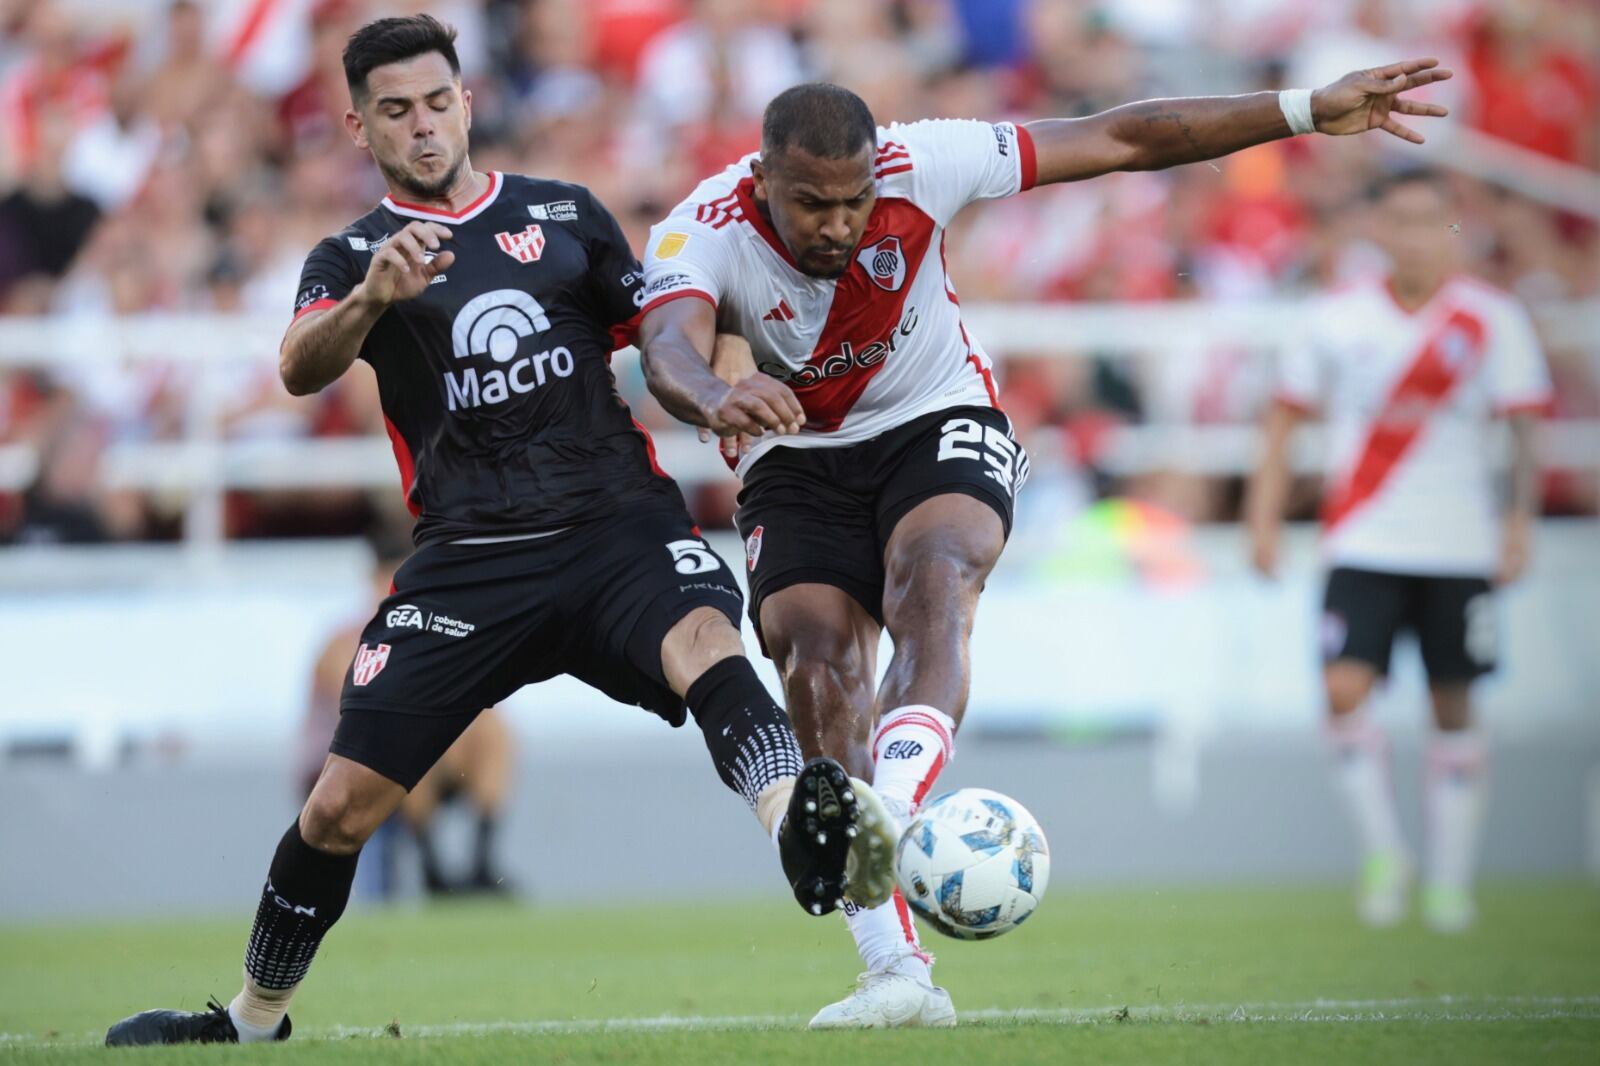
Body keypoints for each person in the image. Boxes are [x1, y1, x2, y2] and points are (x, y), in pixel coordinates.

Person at [104, 15, 895, 1047]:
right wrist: (371, 300)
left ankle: (799, 828)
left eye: (437, 103)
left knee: (707, 645)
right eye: (395, 111)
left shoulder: (563, 214)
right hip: (467, 565)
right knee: (340, 807)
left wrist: (736, 384)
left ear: (466, 102)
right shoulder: (350, 252)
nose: (423, 127)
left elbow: (672, 325)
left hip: (614, 527)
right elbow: (299, 364)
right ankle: (253, 1019)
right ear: (358, 127)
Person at [637, 66, 1452, 1027]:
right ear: (763, 178)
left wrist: (1300, 110)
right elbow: (667, 348)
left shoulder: (921, 161)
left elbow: (1124, 138)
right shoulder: (702, 225)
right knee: (812, 665)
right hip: (796, 453)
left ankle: (891, 808)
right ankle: (896, 971)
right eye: (812, 205)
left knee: (932, 579)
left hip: (933, 417)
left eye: (855, 202)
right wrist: (715, 392)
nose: (839, 225)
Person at [1246, 168, 1551, 933]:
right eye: (1402, 219)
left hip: (1458, 544)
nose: (1416, 234)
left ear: (1452, 226)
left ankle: (1451, 881)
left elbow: (1522, 430)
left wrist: (1519, 524)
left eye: (1431, 219)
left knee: (1454, 700)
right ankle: (1385, 854)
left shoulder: (1492, 319)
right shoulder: (1335, 318)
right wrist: (1263, 519)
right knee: (1344, 689)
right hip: (1363, 537)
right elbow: (1283, 422)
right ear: (1376, 229)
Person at [300, 536, 516, 898]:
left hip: (415, 760)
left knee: (493, 732)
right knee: (406, 739)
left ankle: (480, 862)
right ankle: (435, 870)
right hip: (342, 767)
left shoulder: (435, 634)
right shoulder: (346, 641)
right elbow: (363, 715)